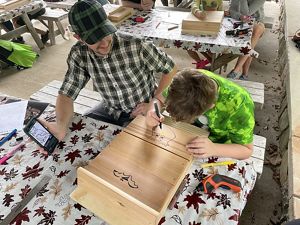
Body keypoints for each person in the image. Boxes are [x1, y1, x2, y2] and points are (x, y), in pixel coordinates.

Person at [39, 0, 177, 154]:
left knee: (137, 153)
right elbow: (66, 94)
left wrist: (156, 101)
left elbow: (170, 69)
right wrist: (60, 126)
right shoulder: (79, 54)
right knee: (80, 136)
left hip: (143, 109)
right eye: (94, 39)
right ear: (79, 37)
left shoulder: (137, 45)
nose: (104, 43)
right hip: (110, 109)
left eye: (105, 32)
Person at [146, 68, 254, 160]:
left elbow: (246, 150)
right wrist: (153, 111)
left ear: (211, 106)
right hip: (187, 136)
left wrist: (214, 149)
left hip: (220, 147)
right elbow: (158, 99)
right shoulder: (184, 82)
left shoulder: (239, 103)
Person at [226, 0, 266, 80]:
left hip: (257, 22)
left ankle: (236, 69)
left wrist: (241, 15)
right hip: (239, 22)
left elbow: (247, 13)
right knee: (251, 45)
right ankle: (244, 75)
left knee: (257, 31)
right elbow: (232, 10)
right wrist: (240, 16)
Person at [188, 0, 223, 69]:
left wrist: (222, 14)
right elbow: (194, 4)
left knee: (211, 50)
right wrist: (197, 12)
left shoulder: (219, 1)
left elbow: (220, 12)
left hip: (213, 25)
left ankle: (211, 61)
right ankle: (200, 62)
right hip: (203, 23)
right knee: (188, 45)